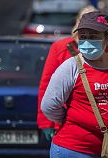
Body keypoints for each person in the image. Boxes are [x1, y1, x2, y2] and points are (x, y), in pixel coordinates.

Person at [41, 11, 108, 157]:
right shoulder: (71, 67)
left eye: (93, 37)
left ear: (107, 37)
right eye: (83, 37)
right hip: (74, 150)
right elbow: (49, 105)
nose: (87, 42)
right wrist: (74, 118)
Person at [37, 6, 98, 142]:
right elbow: (46, 85)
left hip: (93, 123)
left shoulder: (103, 49)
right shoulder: (60, 47)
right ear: (77, 22)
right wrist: (46, 122)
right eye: (85, 19)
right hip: (64, 121)